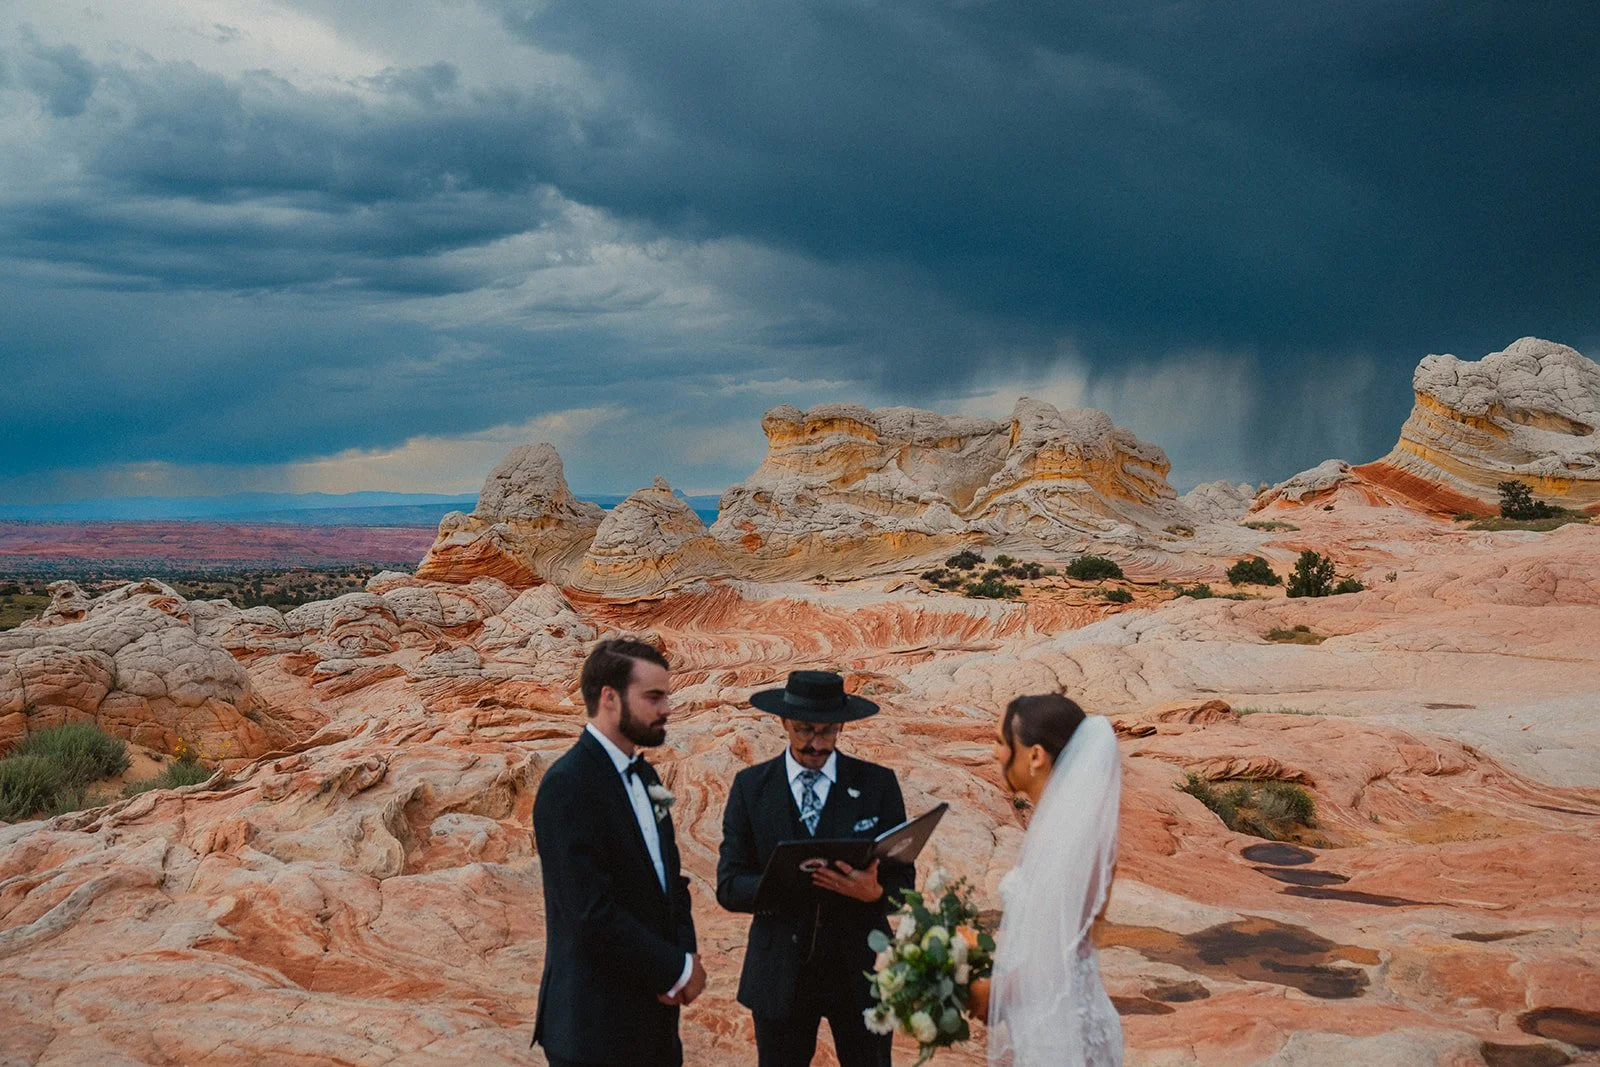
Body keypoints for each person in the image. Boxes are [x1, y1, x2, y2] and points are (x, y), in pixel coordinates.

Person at [717, 670, 916, 1067]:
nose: (816, 743)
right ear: (784, 723)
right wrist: (781, 881)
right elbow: (728, 885)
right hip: (780, 975)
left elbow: (903, 885)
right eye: (805, 730)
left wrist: (873, 893)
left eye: (827, 732)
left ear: (842, 726)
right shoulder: (751, 788)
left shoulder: (877, 785)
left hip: (861, 972)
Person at [532, 638, 705, 1067]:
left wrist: (685, 955)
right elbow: (590, 912)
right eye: (653, 697)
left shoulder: (645, 775)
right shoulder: (567, 786)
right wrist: (676, 969)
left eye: (666, 695)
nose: (666, 709)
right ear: (609, 697)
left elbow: (671, 880)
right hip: (594, 1029)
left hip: (654, 1024)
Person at [984, 693, 1123, 1067]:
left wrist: (980, 991)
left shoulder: (1071, 838)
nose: (996, 754)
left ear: (1035, 756)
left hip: (1062, 1036)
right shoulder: (1063, 826)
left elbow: (1055, 958)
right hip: (1051, 1019)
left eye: (1001, 742)